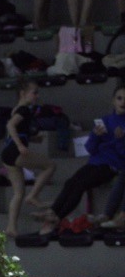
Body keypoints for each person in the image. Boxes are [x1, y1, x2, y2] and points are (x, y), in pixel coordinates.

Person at [33, 83, 125, 231]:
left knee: (80, 185)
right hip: (95, 162)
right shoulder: (105, 120)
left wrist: (120, 140)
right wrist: (95, 135)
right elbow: (90, 148)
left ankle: (58, 217)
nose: (123, 102)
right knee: (71, 182)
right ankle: (52, 211)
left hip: (111, 166)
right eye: (119, 98)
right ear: (113, 101)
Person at [0, 78, 57, 236]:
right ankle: (34, 196)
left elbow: (17, 130)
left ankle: (11, 227)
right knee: (50, 165)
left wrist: (32, 139)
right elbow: (10, 126)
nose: (37, 96)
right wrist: (20, 145)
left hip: (7, 154)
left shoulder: (17, 109)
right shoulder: (24, 110)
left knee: (18, 193)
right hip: (14, 151)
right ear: (23, 93)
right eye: (34, 93)